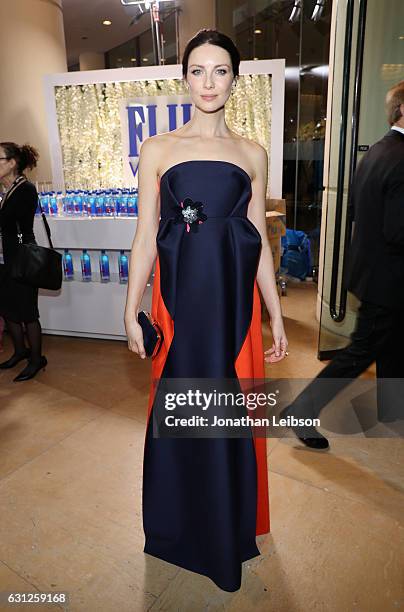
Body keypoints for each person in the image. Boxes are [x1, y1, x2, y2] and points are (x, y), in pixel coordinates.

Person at [124, 29, 288, 591]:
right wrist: (131, 309)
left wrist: (276, 312)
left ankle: (226, 525)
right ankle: (179, 525)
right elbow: (146, 234)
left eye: (221, 71)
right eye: (198, 70)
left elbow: (260, 240)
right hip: (179, 307)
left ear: (235, 79)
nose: (209, 82)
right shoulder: (159, 150)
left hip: (233, 309)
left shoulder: (253, 154)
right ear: (185, 77)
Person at [281, 80, 404, 449]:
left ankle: (393, 409)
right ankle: (301, 409)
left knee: (394, 344)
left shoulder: (379, 151)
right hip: (390, 278)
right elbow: (398, 231)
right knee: (361, 351)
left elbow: (358, 212)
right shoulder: (400, 158)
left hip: (375, 272)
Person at [0, 142, 47, 381]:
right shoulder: (4, 191)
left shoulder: (25, 190)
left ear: (12, 163)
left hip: (22, 258)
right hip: (4, 259)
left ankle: (36, 359)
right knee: (7, 309)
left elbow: (8, 221)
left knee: (27, 311)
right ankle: (19, 351)